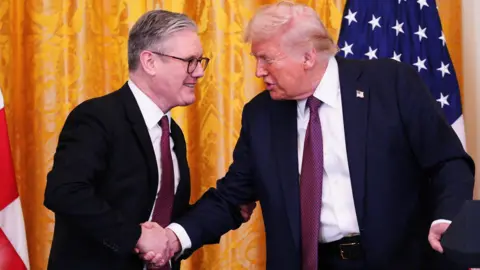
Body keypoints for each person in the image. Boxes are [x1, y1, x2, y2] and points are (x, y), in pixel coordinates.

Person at [142, 2, 475, 270]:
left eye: (266, 59)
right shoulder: (262, 114)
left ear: (307, 56)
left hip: (400, 261)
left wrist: (446, 218)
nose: (259, 71)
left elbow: (449, 162)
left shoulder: (390, 84)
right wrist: (175, 237)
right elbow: (233, 198)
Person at [44, 10, 253, 270]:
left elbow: (160, 216)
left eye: (200, 61)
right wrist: (136, 237)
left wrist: (221, 213)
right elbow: (65, 192)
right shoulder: (97, 117)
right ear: (150, 62)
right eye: (190, 61)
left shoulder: (171, 132)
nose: (199, 72)